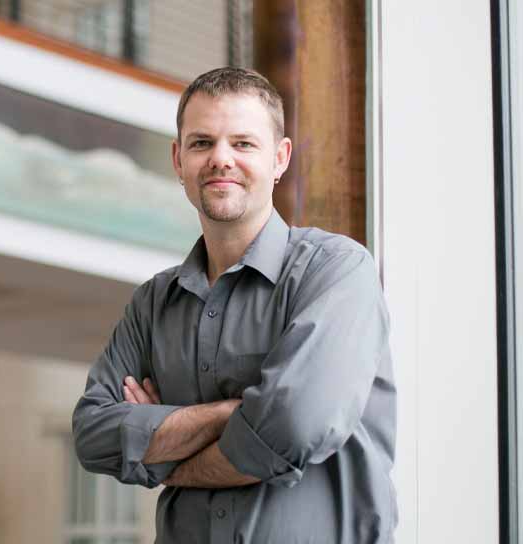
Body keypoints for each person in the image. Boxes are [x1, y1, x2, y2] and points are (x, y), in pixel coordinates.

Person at [71, 67, 397, 543]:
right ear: (178, 159)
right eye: (202, 143)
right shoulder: (152, 304)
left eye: (243, 144)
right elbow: (93, 435)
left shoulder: (336, 271)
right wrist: (236, 412)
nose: (221, 159)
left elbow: (292, 426)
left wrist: (165, 456)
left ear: (280, 158)